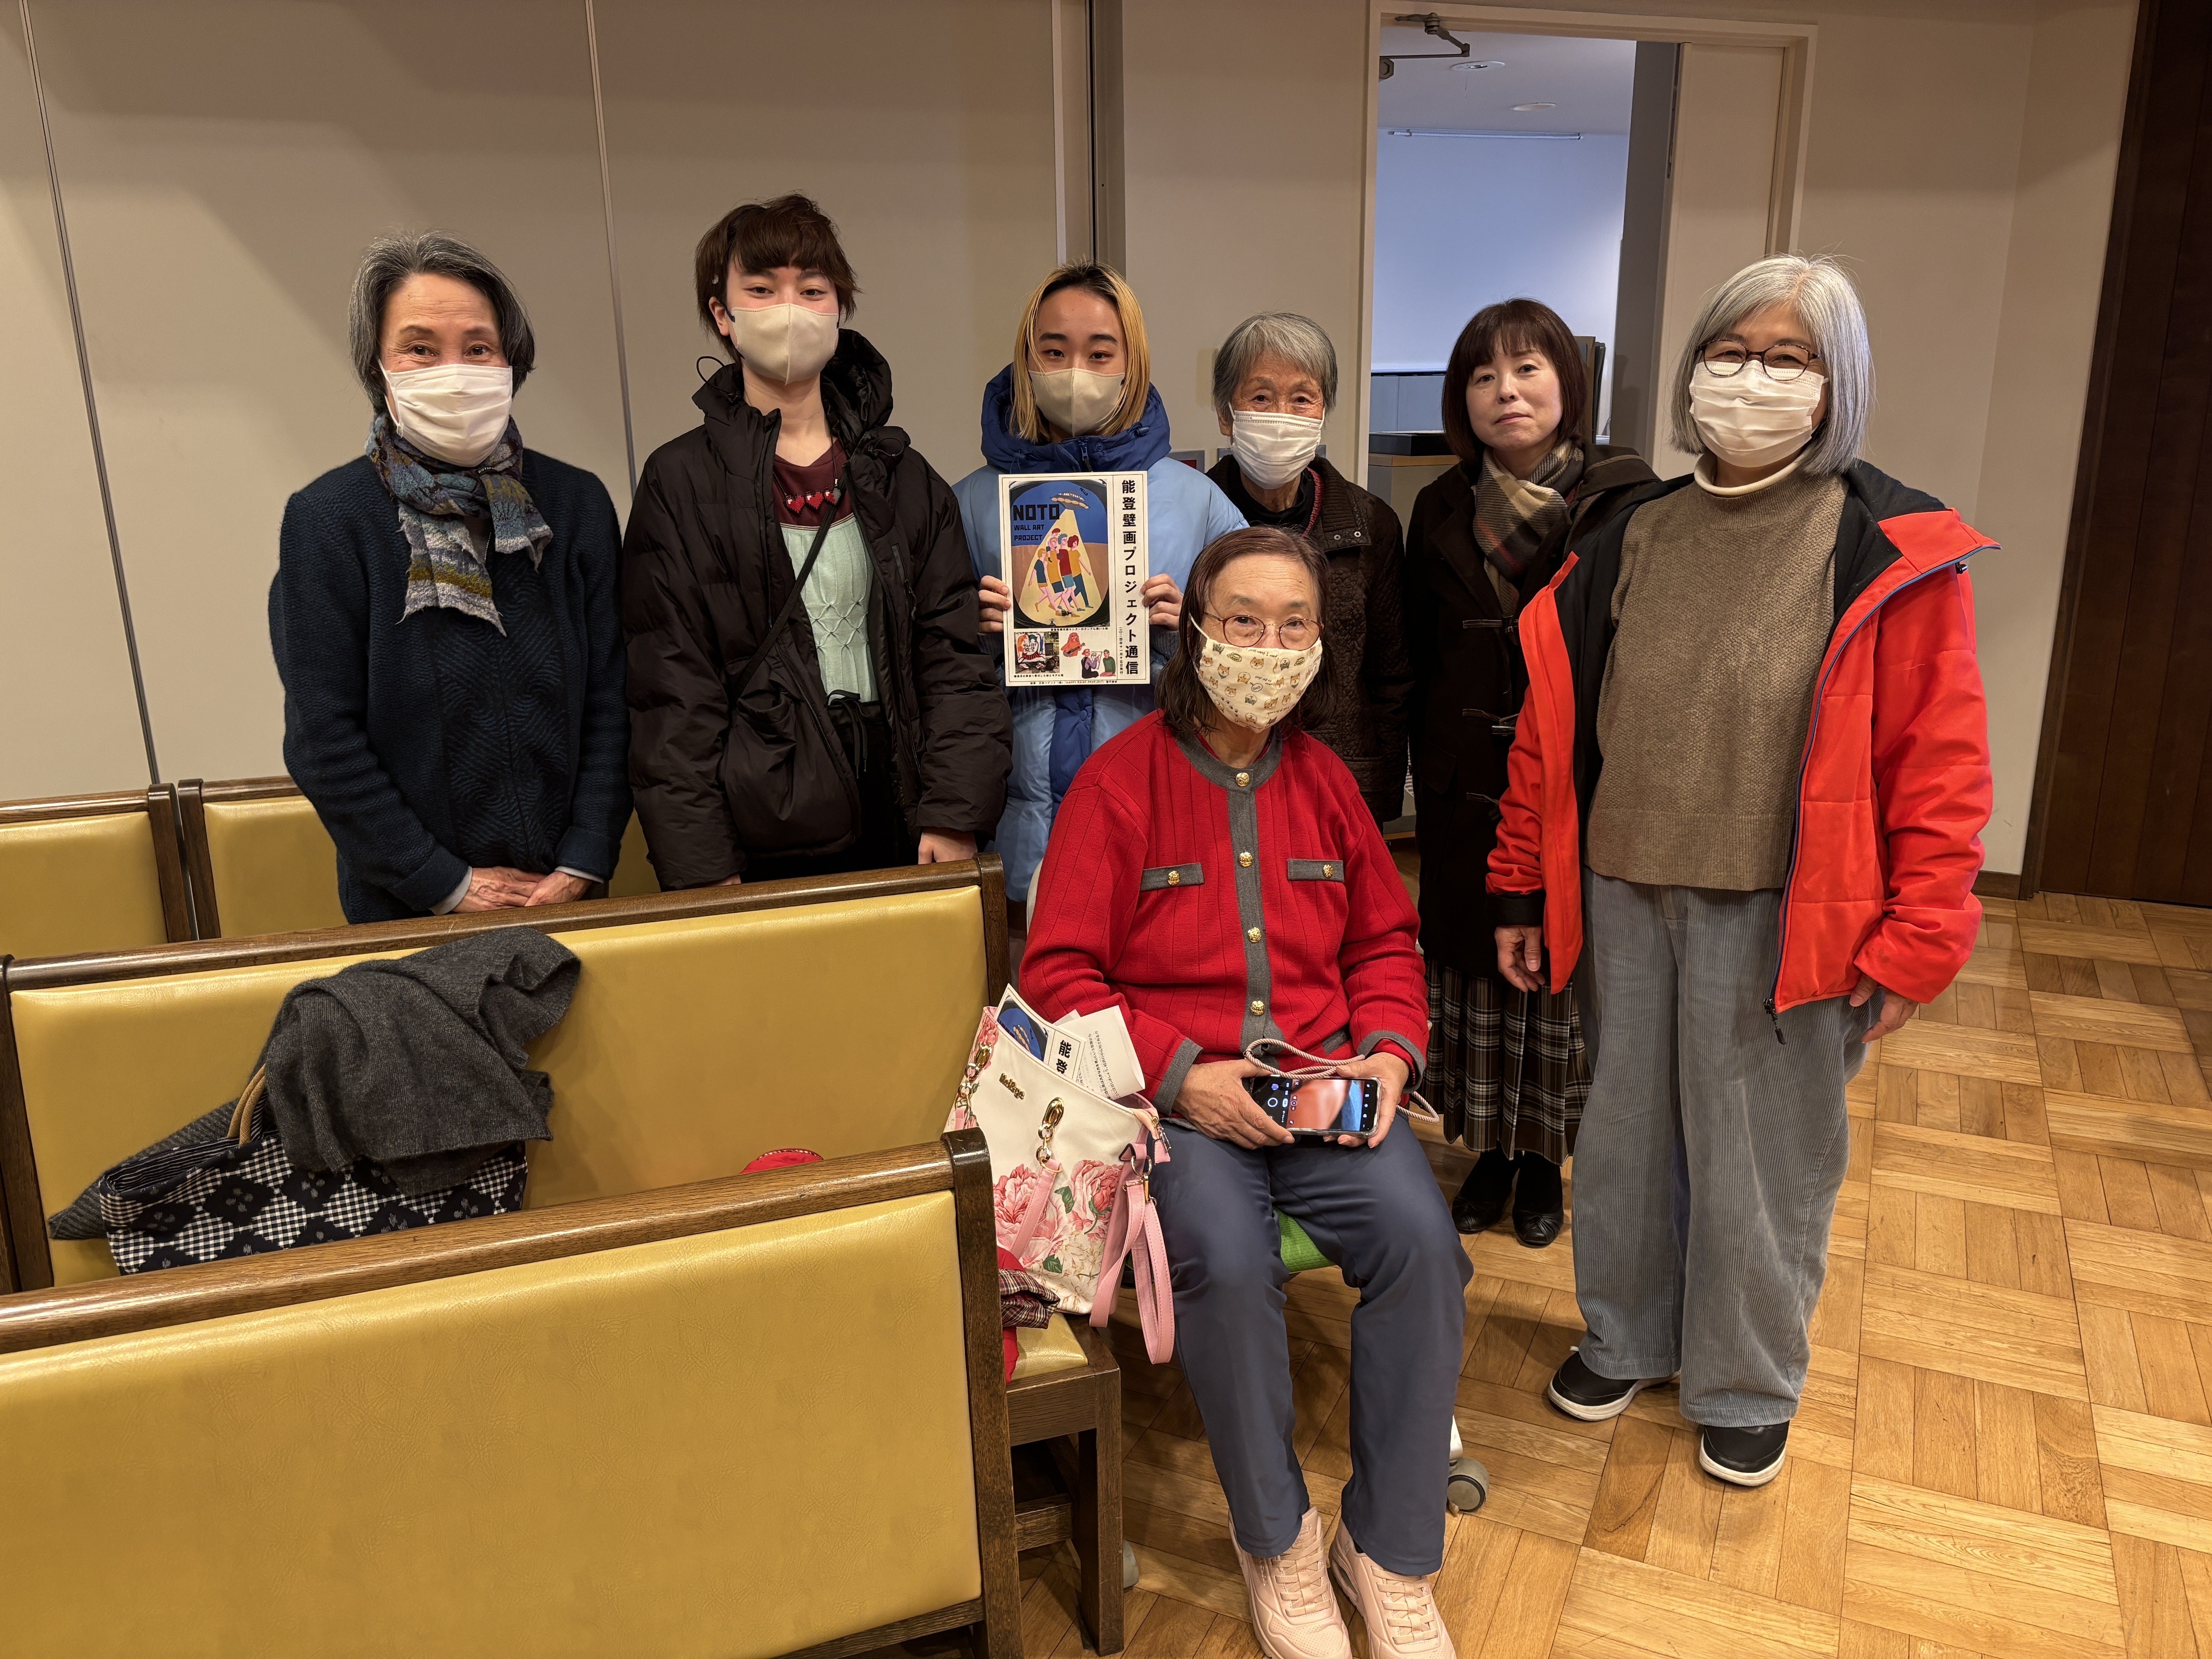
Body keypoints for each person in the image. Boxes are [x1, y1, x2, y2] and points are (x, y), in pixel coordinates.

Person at [1492, 256, 1993, 1487]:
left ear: (1838, 384)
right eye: (1731, 352)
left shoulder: (1886, 544)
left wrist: (1921, 935)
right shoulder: (1631, 529)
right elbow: (1551, 729)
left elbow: (1941, 759)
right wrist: (1520, 880)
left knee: (1760, 1154)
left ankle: (1748, 1378)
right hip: (1620, 884)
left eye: (1790, 358)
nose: (1752, 378)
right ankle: (1630, 1333)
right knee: (1622, 1135)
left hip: (1786, 907)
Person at [1024, 525, 1469, 1659]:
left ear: (1319, 645)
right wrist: (1182, 1074)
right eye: (1243, 622)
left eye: (1292, 626)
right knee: (1224, 1260)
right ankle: (1276, 1539)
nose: (1267, 649)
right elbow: (1058, 974)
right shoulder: (1117, 784)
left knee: (1424, 1243)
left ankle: (1390, 1549)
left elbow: (1385, 943)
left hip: (1327, 1088)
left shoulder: (1330, 787)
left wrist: (1387, 1057)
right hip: (1184, 1107)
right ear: (1196, 629)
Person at [622, 195, 1010, 887]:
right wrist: (703, 869)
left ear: (839, 309)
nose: (789, 310)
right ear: (723, 314)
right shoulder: (678, 482)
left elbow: (952, 660)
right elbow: (672, 696)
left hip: (904, 816)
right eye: (761, 289)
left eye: (811, 289)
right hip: (759, 834)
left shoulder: (903, 476)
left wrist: (956, 814)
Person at [270, 231, 630, 924]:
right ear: (379, 368)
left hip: (569, 898)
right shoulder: (328, 520)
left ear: (511, 361)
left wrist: (585, 858)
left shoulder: (576, 504)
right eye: (420, 349)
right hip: (410, 909)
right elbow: (323, 737)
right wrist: (444, 882)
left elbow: (613, 699)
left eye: (478, 348)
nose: (454, 372)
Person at [1404, 300, 1657, 1247]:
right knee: (1477, 976)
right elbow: (1421, 652)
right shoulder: (1438, 505)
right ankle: (1492, 1154)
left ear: (1568, 385)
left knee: (1555, 974)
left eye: (1528, 370)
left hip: (1575, 786)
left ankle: (1546, 1160)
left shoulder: (1627, 501)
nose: (1506, 392)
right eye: (1483, 376)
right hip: (1463, 786)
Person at [957, 264, 1246, 916]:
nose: (1075, 372)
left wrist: (1192, 633)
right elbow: (931, 675)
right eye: (1054, 351)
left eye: (1100, 353)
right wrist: (968, 630)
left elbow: (1252, 670)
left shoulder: (1198, 503)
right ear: (1026, 360)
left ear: (1131, 362)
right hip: (1017, 838)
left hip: (1158, 834)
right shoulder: (970, 501)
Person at [1205, 313, 1413, 825]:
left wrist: (1380, 799)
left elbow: (1391, 678)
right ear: (1226, 414)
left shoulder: (1371, 523)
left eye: (1302, 398)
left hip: (1339, 782)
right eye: (1261, 397)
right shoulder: (1192, 517)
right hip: (1217, 776)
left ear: (1322, 413)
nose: (1282, 415)